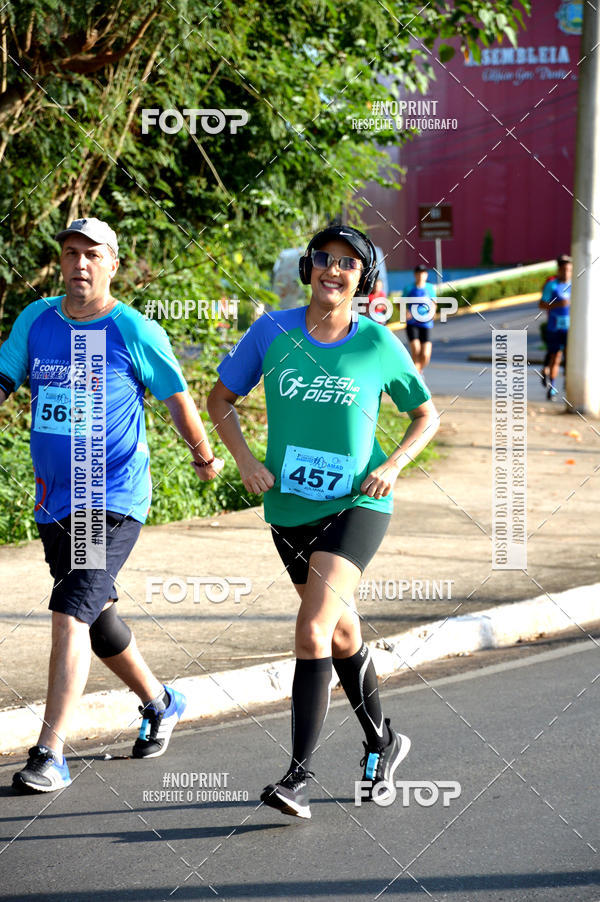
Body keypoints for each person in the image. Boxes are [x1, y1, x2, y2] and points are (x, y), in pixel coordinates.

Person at [208, 225, 439, 818]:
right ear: (309, 267)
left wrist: (392, 465)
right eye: (324, 259)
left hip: (358, 504)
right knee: (339, 634)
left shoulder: (377, 343)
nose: (334, 270)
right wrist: (245, 460)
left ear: (364, 278)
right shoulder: (272, 330)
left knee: (312, 628)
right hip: (289, 507)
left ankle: (297, 778)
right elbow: (219, 399)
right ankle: (383, 741)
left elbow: (426, 416)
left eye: (348, 263)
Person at [0, 218, 223, 793]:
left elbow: (177, 398)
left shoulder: (133, 330)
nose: (80, 263)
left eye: (92, 254)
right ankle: (160, 701)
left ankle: (50, 753)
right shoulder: (36, 320)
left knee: (70, 612)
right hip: (55, 500)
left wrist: (203, 456)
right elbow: (3, 379)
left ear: (113, 264)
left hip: (111, 497)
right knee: (97, 621)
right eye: (70, 252)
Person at [539, 254, 571, 400]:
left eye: (569, 270)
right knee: (556, 356)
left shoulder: (576, 285)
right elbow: (542, 304)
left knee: (570, 358)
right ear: (559, 269)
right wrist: (558, 304)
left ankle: (568, 383)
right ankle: (552, 387)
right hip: (554, 327)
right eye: (563, 269)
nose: (566, 273)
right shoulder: (551, 285)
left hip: (571, 329)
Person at [403, 263, 437, 373]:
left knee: (425, 354)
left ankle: (419, 370)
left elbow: (434, 302)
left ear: (426, 275)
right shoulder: (408, 288)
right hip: (412, 323)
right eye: (419, 273)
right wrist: (405, 311)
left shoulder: (430, 288)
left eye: (423, 273)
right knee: (416, 350)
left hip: (426, 323)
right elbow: (400, 303)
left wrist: (432, 312)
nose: (421, 276)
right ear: (415, 275)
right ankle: (416, 374)